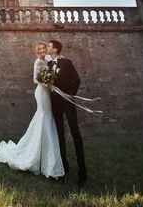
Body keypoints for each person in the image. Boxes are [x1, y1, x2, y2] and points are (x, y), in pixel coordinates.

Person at [0, 42, 64, 179]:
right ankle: (37, 153)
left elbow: (56, 59)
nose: (43, 50)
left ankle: (45, 152)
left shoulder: (48, 60)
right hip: (42, 92)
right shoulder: (38, 62)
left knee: (46, 117)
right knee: (44, 116)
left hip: (48, 92)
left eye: (45, 48)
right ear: (37, 51)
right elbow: (35, 79)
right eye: (41, 49)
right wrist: (47, 82)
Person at [47, 40, 87, 188]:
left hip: (68, 102)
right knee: (59, 134)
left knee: (75, 133)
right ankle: (64, 169)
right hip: (55, 103)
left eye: (49, 46)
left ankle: (82, 172)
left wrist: (70, 95)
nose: (47, 48)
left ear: (55, 49)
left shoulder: (66, 63)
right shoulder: (49, 65)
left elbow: (76, 80)